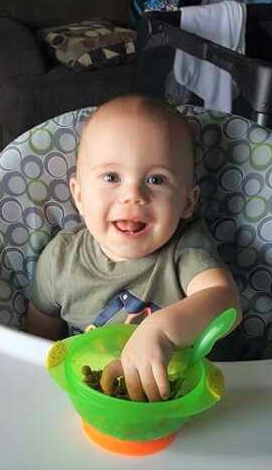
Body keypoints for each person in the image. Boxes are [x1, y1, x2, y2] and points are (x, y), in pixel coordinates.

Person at [25, 95, 241, 402]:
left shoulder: (186, 249)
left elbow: (226, 303)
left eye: (156, 179)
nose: (133, 195)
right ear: (79, 195)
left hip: (181, 401)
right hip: (92, 401)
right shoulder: (60, 260)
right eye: (111, 177)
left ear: (187, 201)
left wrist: (161, 332)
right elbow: (35, 344)